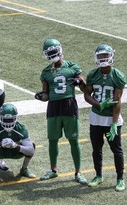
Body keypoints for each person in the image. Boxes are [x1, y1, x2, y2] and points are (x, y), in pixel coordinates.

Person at [36, 38, 87, 184]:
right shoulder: (45, 72)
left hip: (69, 104)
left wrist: (80, 81)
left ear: (60, 49)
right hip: (53, 106)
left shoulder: (72, 66)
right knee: (53, 140)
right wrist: (40, 96)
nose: (52, 55)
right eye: (49, 53)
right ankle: (53, 170)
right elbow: (46, 94)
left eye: (53, 51)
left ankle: (78, 172)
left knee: (73, 140)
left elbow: (84, 87)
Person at [84, 44, 126, 192]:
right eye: (100, 56)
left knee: (116, 149)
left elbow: (117, 102)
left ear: (112, 56)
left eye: (105, 56)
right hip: (96, 117)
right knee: (96, 149)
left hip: (110, 118)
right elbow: (87, 95)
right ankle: (98, 175)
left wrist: (114, 123)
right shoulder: (93, 75)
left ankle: (120, 178)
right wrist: (98, 104)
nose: (103, 59)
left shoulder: (118, 76)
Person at [0, 103, 36, 178]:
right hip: (0, 152)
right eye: (5, 120)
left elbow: (31, 150)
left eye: (10, 119)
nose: (8, 123)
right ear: (1, 118)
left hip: (15, 152)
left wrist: (16, 146)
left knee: (32, 144)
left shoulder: (21, 128)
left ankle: (24, 169)